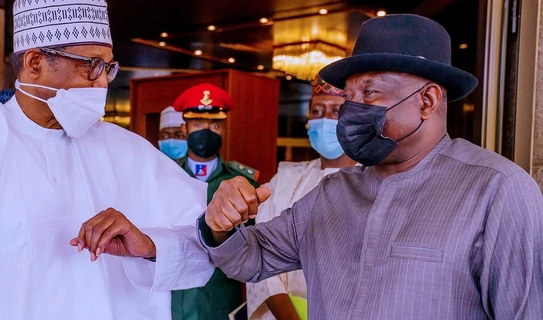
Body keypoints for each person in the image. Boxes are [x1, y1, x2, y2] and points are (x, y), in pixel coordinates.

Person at [198, 14, 543, 319]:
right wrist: (220, 223)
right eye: (349, 97)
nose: (351, 110)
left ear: (428, 100)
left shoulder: (496, 190)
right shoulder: (333, 192)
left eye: (369, 93)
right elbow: (250, 257)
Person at [0, 1, 214, 319]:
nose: (103, 83)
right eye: (90, 65)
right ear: (34, 62)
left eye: (108, 68)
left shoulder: (131, 153)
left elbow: (203, 244)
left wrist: (149, 244)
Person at [246, 75, 356, 320]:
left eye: (336, 112)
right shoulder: (285, 180)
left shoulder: (376, 180)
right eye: (317, 111)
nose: (324, 120)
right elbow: (262, 259)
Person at [171, 83, 260, 320]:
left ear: (224, 129)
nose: (206, 131)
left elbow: (252, 244)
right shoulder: (165, 175)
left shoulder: (242, 181)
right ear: (184, 128)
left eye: (214, 125)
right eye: (198, 124)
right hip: (174, 294)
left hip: (221, 295)